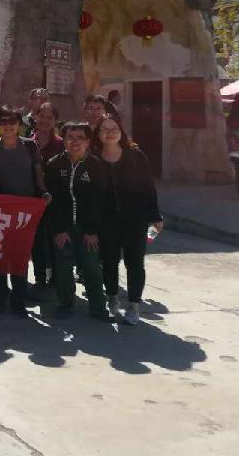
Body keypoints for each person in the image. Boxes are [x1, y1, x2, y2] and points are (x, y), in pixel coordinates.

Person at [94, 114, 163, 325]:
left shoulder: (135, 156)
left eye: (114, 128)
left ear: (121, 132)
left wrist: (155, 216)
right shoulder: (93, 159)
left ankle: (134, 305)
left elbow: (148, 188)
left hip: (135, 219)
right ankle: (112, 299)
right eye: (105, 129)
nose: (110, 133)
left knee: (135, 262)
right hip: (106, 220)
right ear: (98, 134)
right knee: (109, 261)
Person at [0, 105, 47, 316]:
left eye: (12, 122)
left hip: (24, 211)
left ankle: (18, 301)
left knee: (20, 257)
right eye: (3, 122)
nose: (8, 126)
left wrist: (43, 192)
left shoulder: (30, 145)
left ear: (20, 125)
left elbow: (38, 172)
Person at [44, 122, 112, 321]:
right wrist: (59, 230)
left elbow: (99, 201)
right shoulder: (54, 164)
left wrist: (92, 231)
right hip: (63, 227)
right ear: (63, 140)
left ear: (88, 142)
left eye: (80, 138)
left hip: (87, 228)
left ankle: (98, 307)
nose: (74, 142)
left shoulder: (97, 166)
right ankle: (65, 304)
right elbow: (53, 200)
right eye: (70, 138)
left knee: (91, 266)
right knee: (63, 267)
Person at [28, 102, 63, 296]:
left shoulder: (61, 144)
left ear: (56, 121)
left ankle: (57, 280)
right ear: (35, 117)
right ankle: (40, 279)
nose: (45, 120)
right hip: (33, 200)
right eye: (42, 116)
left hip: (56, 200)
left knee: (55, 240)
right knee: (36, 241)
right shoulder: (27, 143)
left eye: (50, 117)